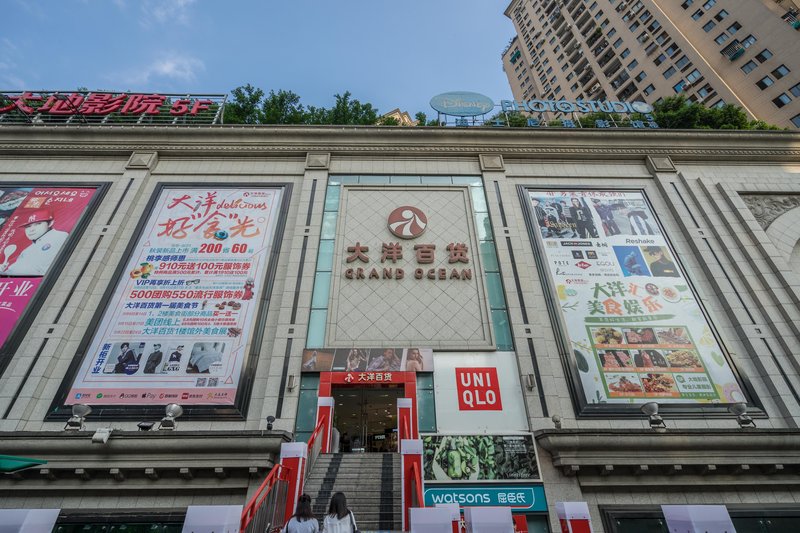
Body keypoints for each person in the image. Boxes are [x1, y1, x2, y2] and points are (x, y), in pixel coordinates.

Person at [0, 209, 69, 276]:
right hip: (19, 281)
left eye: (38, 224)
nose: (31, 229)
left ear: (50, 223)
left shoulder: (59, 236)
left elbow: (42, 270)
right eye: (28, 226)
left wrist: (7, 273)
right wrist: (4, 271)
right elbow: (15, 270)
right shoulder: (27, 250)